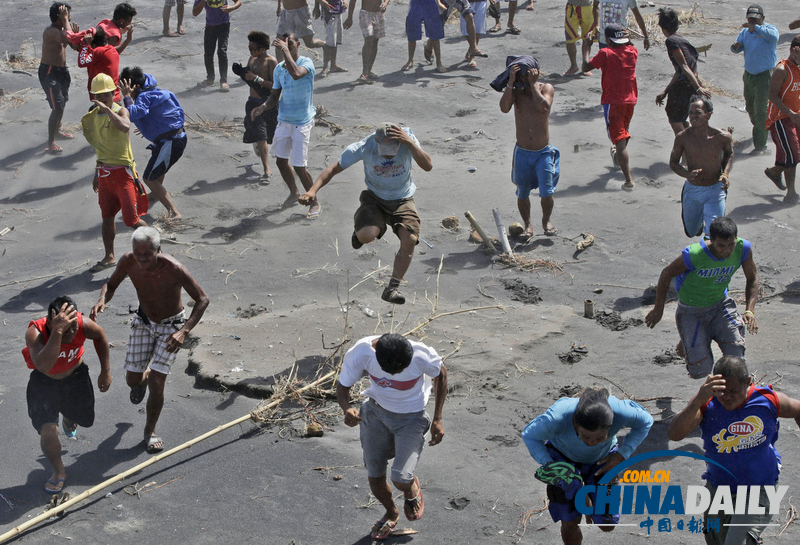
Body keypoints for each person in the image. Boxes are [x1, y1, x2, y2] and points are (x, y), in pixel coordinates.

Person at [90, 226, 209, 454]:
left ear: (158, 250)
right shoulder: (127, 261)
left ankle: (150, 432)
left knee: (158, 381)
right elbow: (111, 284)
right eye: (138, 253)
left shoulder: (174, 268)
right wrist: (102, 299)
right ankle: (142, 379)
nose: (142, 258)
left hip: (172, 326)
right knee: (132, 381)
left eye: (147, 253)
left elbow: (202, 299)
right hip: (143, 321)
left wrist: (183, 331)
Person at [668, 356, 800, 545]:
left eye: (733, 391)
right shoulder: (707, 404)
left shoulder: (768, 400)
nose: (727, 397)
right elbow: (674, 434)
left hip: (760, 487)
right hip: (719, 489)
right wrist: (697, 401)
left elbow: (798, 409)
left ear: (747, 382)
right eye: (722, 391)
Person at [298, 123, 432, 304]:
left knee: (409, 239)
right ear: (376, 142)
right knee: (368, 235)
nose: (387, 154)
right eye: (383, 149)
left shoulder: (407, 141)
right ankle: (360, 233)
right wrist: (312, 191)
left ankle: (392, 288)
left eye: (392, 149)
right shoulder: (364, 146)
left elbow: (428, 166)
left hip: (403, 199)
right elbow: (333, 169)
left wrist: (409, 143)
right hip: (375, 197)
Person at [336, 334, 447, 540]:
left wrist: (437, 418)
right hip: (375, 414)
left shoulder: (422, 354)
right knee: (375, 475)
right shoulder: (361, 353)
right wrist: (347, 408)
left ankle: (410, 486)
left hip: (411, 418)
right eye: (392, 371)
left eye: (401, 370)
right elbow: (342, 388)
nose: (396, 374)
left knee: (400, 478)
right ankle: (391, 512)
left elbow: (440, 374)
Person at [522, 388, 653, 545]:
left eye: (600, 437)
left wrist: (621, 455)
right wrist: (550, 464)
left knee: (607, 524)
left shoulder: (621, 412)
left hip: (601, 460)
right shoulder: (558, 417)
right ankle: (578, 487)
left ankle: (585, 493)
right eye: (586, 436)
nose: (591, 443)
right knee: (571, 523)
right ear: (576, 423)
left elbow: (646, 421)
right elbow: (529, 435)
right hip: (563, 460)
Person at [645, 217, 759, 379]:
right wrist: (658, 309)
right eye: (721, 245)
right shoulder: (694, 254)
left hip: (720, 306)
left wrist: (750, 310)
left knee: (736, 355)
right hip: (691, 312)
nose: (727, 251)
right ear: (711, 240)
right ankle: (689, 339)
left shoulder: (743, 248)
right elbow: (666, 273)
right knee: (701, 371)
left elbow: (752, 278)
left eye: (731, 244)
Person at [23, 296, 111, 494]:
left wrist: (105, 371)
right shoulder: (35, 333)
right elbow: (44, 364)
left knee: (85, 420)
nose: (72, 333)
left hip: (75, 377)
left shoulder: (83, 324)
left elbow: (101, 336)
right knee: (48, 431)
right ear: (51, 322)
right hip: (44, 381)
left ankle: (69, 415)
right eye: (67, 328)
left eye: (74, 327)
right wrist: (57, 332)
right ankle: (58, 471)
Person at [81, 73, 148, 273]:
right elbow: (100, 148)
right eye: (99, 96)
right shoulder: (91, 118)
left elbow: (125, 126)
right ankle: (109, 256)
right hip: (104, 174)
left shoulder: (121, 111)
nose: (103, 99)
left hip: (123, 173)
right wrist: (96, 174)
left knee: (131, 219)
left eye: (106, 95)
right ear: (93, 97)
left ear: (114, 94)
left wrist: (109, 110)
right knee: (107, 216)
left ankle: (154, 246)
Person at [250, 34, 319, 218]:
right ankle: (294, 192)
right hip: (284, 120)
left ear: (298, 44)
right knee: (281, 161)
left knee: (299, 166)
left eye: (290, 44)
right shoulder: (280, 69)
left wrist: (286, 50)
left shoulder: (307, 63)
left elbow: (296, 74)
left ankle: (315, 202)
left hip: (302, 122)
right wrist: (262, 107)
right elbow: (274, 96)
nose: (285, 47)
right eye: (283, 45)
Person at [498, 56, 559, 238]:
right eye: (521, 77)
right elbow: (504, 108)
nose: (523, 80)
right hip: (522, 152)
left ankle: (546, 220)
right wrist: (510, 82)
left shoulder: (545, 88)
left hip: (543, 152)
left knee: (547, 191)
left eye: (526, 76)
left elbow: (544, 107)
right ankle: (528, 225)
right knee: (522, 191)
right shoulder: (516, 91)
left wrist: (533, 85)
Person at [119, 66, 186, 220]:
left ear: (133, 86)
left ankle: (174, 213)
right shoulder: (160, 91)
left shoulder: (144, 97)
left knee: (149, 178)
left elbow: (134, 114)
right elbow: (176, 112)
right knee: (157, 170)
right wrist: (153, 128)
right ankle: (156, 193)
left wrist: (127, 97)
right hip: (175, 138)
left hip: (170, 142)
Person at [583, 23, 638, 190]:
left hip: (613, 102)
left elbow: (586, 67)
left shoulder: (605, 53)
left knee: (619, 139)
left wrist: (586, 46)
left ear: (607, 39)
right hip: (631, 100)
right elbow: (630, 45)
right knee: (622, 133)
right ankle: (617, 157)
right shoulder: (633, 52)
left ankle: (628, 180)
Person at [669, 96, 733, 238]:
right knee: (691, 232)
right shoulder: (682, 137)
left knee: (714, 233)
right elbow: (673, 162)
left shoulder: (722, 137)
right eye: (691, 113)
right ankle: (699, 227)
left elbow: (729, 153)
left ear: (708, 114)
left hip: (715, 190)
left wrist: (725, 174)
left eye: (697, 113)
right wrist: (687, 175)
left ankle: (708, 252)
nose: (693, 116)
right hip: (693, 190)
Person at [731, 4, 778, 154]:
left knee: (760, 110)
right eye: (750, 20)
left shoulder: (769, 30)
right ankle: (761, 127)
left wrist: (756, 28)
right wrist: (735, 47)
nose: (752, 22)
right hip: (749, 75)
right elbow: (736, 48)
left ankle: (760, 146)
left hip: (764, 75)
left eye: (755, 20)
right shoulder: (745, 33)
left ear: (762, 19)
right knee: (750, 107)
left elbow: (774, 37)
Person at [655, 8, 710, 135]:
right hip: (689, 85)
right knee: (683, 121)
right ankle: (690, 149)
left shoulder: (671, 41)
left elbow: (685, 67)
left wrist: (698, 88)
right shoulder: (683, 40)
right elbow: (680, 70)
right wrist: (665, 91)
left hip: (684, 87)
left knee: (675, 119)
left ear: (662, 27)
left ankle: (687, 150)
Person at [234, 31, 279, 183]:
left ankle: (261, 146)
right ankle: (267, 169)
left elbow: (276, 86)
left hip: (267, 104)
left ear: (262, 48)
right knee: (261, 136)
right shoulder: (252, 60)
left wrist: (257, 79)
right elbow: (247, 77)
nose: (251, 52)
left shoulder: (271, 62)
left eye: (254, 49)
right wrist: (242, 72)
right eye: (249, 49)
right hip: (253, 102)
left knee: (269, 136)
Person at [764, 35, 800, 204]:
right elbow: (772, 95)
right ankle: (791, 192)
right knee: (793, 153)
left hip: (796, 116)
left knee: (794, 153)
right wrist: (790, 112)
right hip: (780, 117)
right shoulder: (782, 69)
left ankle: (775, 171)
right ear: (793, 50)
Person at [40, 3, 79, 153]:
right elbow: (66, 37)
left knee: (63, 102)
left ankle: (57, 131)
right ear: (59, 18)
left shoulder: (61, 30)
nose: (69, 18)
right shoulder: (51, 31)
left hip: (62, 70)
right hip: (49, 72)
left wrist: (75, 36)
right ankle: (51, 142)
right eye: (67, 15)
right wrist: (67, 25)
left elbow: (73, 45)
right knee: (57, 107)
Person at [192, 0, 241, 92]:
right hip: (210, 26)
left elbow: (238, 2)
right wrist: (203, 1)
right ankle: (210, 78)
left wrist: (232, 7)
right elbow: (194, 12)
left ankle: (223, 81)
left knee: (221, 51)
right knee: (208, 54)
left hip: (224, 25)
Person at [344, 0, 389, 82]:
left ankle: (369, 70)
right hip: (366, 14)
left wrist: (385, 3)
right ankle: (364, 72)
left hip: (379, 14)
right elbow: (353, 1)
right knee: (369, 40)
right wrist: (349, 17)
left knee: (375, 41)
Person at [77, 28, 121, 103]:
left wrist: (86, 44)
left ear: (93, 44)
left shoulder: (99, 51)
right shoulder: (110, 49)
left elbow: (82, 62)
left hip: (104, 99)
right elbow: (87, 54)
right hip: (112, 97)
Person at [402, 0, 447, 73]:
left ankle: (439, 63)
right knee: (412, 32)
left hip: (431, 4)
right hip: (415, 3)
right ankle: (410, 60)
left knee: (435, 34)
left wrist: (438, 3)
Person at [314, 0, 348, 77]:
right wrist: (317, 7)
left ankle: (333, 65)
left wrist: (345, 1)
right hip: (328, 12)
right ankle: (325, 66)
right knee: (330, 40)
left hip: (338, 10)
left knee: (334, 40)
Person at [563, 0, 594, 76]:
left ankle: (585, 65)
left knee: (587, 38)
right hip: (572, 6)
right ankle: (573, 65)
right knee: (569, 38)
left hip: (588, 7)